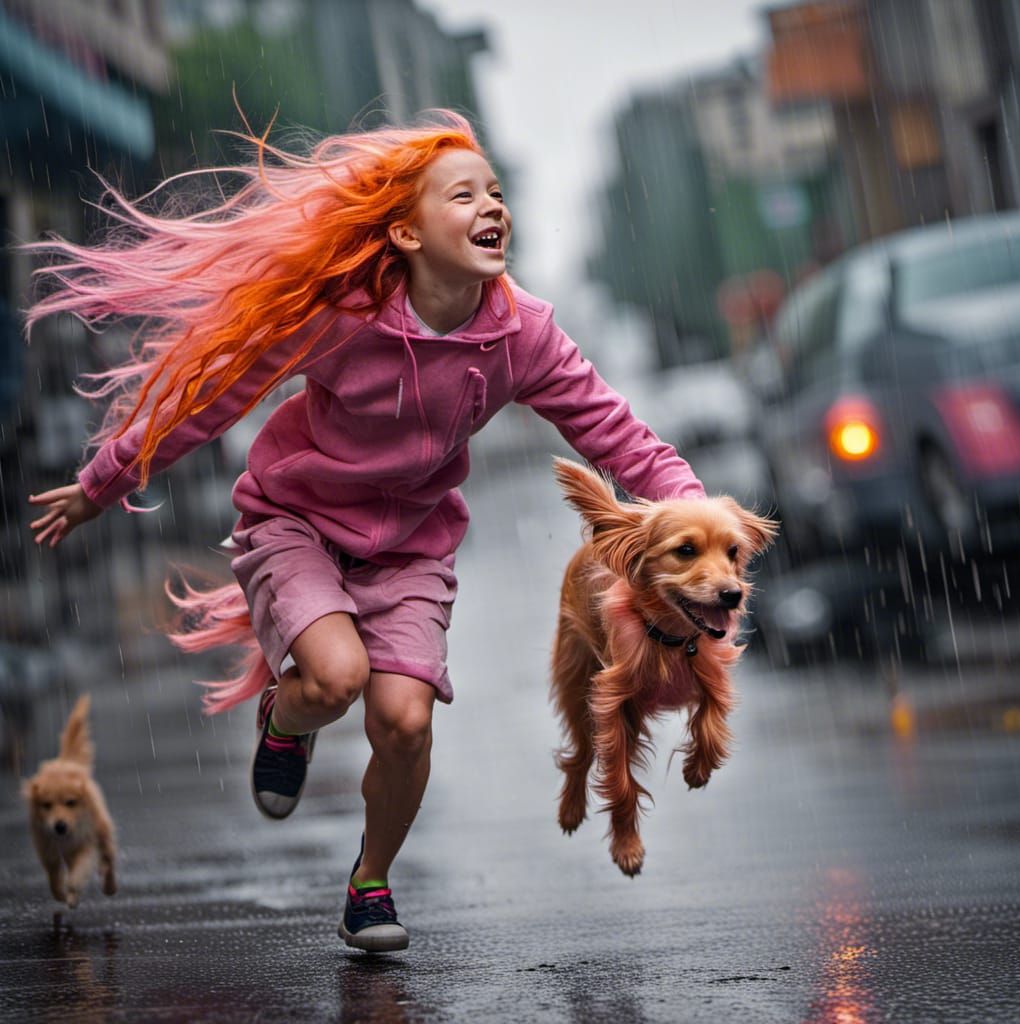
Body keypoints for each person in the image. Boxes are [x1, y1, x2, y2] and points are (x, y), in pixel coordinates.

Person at [25, 110, 705, 952]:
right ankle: (287, 718)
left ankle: (371, 884)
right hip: (298, 524)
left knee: (406, 721)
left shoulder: (522, 336)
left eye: (495, 192)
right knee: (336, 677)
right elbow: (215, 399)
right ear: (406, 231)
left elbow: (621, 438)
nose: (491, 205)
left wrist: (702, 525)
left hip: (412, 547)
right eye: (463, 195)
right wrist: (103, 483)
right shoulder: (344, 313)